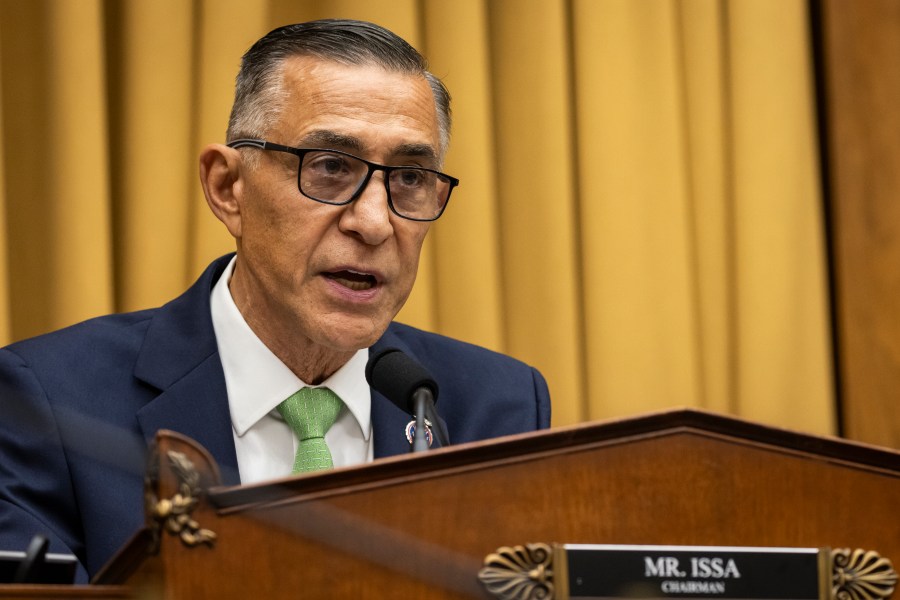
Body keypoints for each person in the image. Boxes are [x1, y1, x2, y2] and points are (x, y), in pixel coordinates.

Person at [0, 19, 550, 583]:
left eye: (410, 176)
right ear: (227, 188)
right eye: (331, 167)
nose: (374, 222)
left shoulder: (496, 407)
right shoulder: (49, 403)